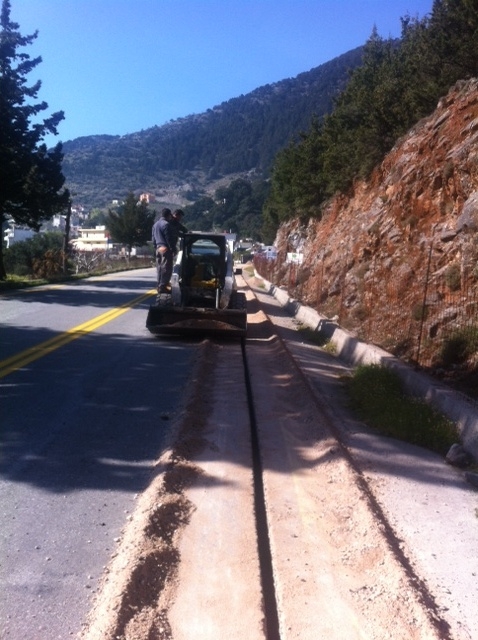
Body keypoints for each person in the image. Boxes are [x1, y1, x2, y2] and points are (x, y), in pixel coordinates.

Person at [151, 208, 174, 293]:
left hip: (158, 248)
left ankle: (159, 284)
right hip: (165, 248)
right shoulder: (166, 224)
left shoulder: (155, 224)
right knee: (166, 268)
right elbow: (168, 238)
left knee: (159, 268)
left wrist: (155, 247)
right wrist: (172, 248)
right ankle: (163, 285)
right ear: (168, 215)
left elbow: (153, 238)